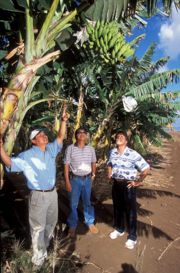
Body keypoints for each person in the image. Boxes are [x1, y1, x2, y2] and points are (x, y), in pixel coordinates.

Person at [0, 106, 69, 266]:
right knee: (38, 227)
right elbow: (10, 163)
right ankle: (38, 260)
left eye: (45, 134)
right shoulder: (27, 155)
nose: (44, 136)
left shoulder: (51, 149)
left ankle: (45, 248)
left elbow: (60, 137)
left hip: (52, 194)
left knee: (51, 222)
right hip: (38, 196)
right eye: (40, 135)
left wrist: (64, 121)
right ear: (33, 141)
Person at [107, 130, 150, 249]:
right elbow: (109, 164)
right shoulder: (112, 152)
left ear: (126, 141)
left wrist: (138, 181)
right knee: (117, 208)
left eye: (122, 136)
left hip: (128, 185)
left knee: (131, 212)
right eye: (117, 136)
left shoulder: (133, 154)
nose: (119, 137)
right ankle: (119, 229)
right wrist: (109, 174)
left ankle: (132, 236)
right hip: (116, 184)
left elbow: (146, 168)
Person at [64, 127, 98, 238]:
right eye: (79, 132)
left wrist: (93, 175)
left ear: (87, 135)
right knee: (73, 203)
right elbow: (66, 165)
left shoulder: (91, 149)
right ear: (76, 135)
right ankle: (73, 225)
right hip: (75, 180)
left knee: (87, 202)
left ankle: (90, 222)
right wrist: (67, 181)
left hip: (87, 179)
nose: (82, 134)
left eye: (84, 133)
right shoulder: (70, 148)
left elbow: (93, 162)